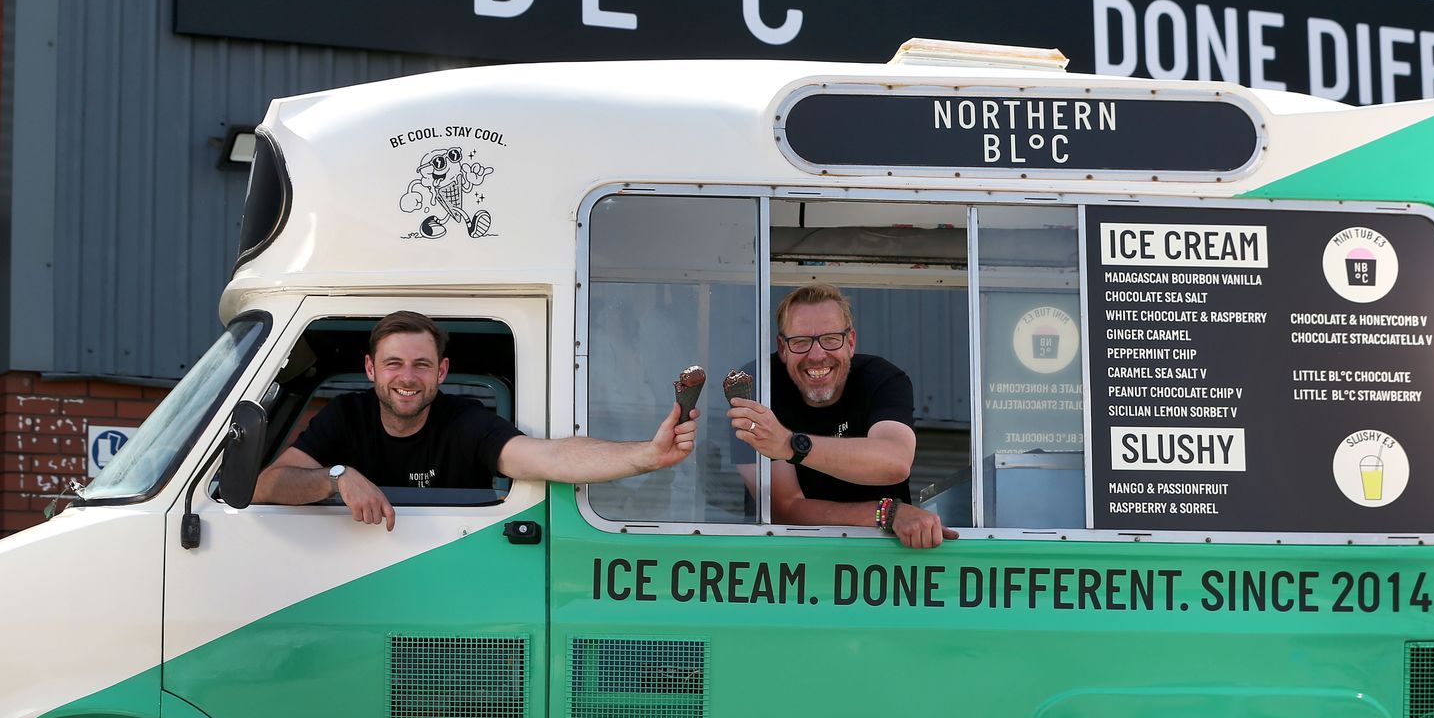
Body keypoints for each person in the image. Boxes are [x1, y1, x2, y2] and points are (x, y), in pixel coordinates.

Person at [255, 311, 696, 529]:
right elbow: (264, 485)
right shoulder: (344, 415)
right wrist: (337, 478)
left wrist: (647, 455)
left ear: (441, 371)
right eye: (393, 364)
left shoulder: (465, 421)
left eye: (421, 365)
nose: (407, 378)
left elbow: (551, 456)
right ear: (371, 370)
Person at [727, 284, 951, 549]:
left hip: (881, 562)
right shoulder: (757, 384)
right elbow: (784, 510)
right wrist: (887, 513)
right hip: (789, 562)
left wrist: (789, 444)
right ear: (782, 347)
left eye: (831, 338)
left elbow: (895, 462)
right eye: (800, 341)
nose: (817, 355)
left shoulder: (881, 378)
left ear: (851, 342)